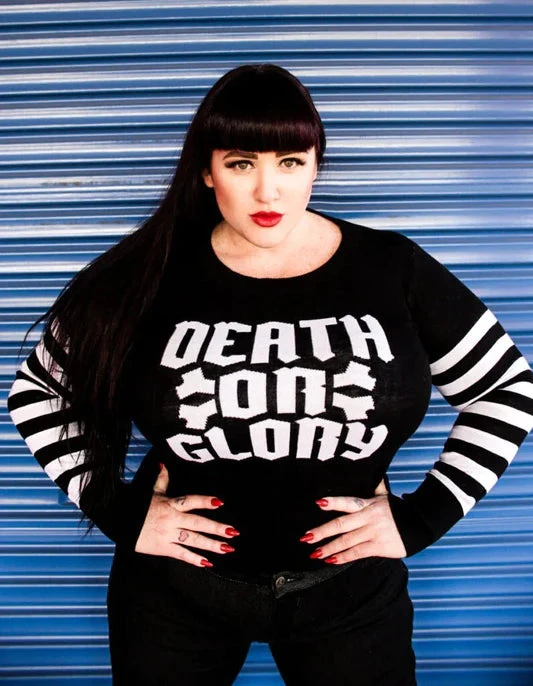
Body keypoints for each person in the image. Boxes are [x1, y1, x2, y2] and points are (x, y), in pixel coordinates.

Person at [7, 63, 533, 686]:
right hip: (174, 597)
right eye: (240, 163)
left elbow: (506, 390)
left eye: (290, 162)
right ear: (207, 171)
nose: (268, 192)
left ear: (315, 165)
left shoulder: (391, 268)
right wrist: (119, 512)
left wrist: (423, 518)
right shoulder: (150, 274)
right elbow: (39, 393)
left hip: (348, 596)